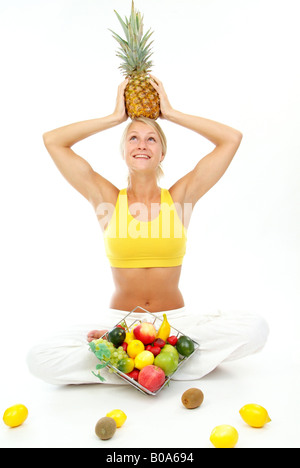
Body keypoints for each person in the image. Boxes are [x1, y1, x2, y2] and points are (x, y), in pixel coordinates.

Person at [27, 77, 269, 385]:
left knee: (255, 327)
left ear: (162, 154)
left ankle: (126, 364)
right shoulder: (108, 200)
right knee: (39, 358)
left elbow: (231, 139)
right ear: (124, 151)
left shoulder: (181, 198)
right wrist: (115, 117)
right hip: (118, 323)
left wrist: (169, 113)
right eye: (133, 138)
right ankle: (162, 363)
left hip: (174, 323)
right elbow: (53, 141)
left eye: (152, 139)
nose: (142, 144)